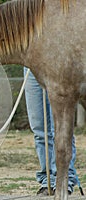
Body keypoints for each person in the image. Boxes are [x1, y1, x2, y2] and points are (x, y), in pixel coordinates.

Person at [24, 68, 81, 196]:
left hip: (56, 65)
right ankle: (47, 180)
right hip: (29, 66)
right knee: (39, 128)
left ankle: (65, 179)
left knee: (60, 127)